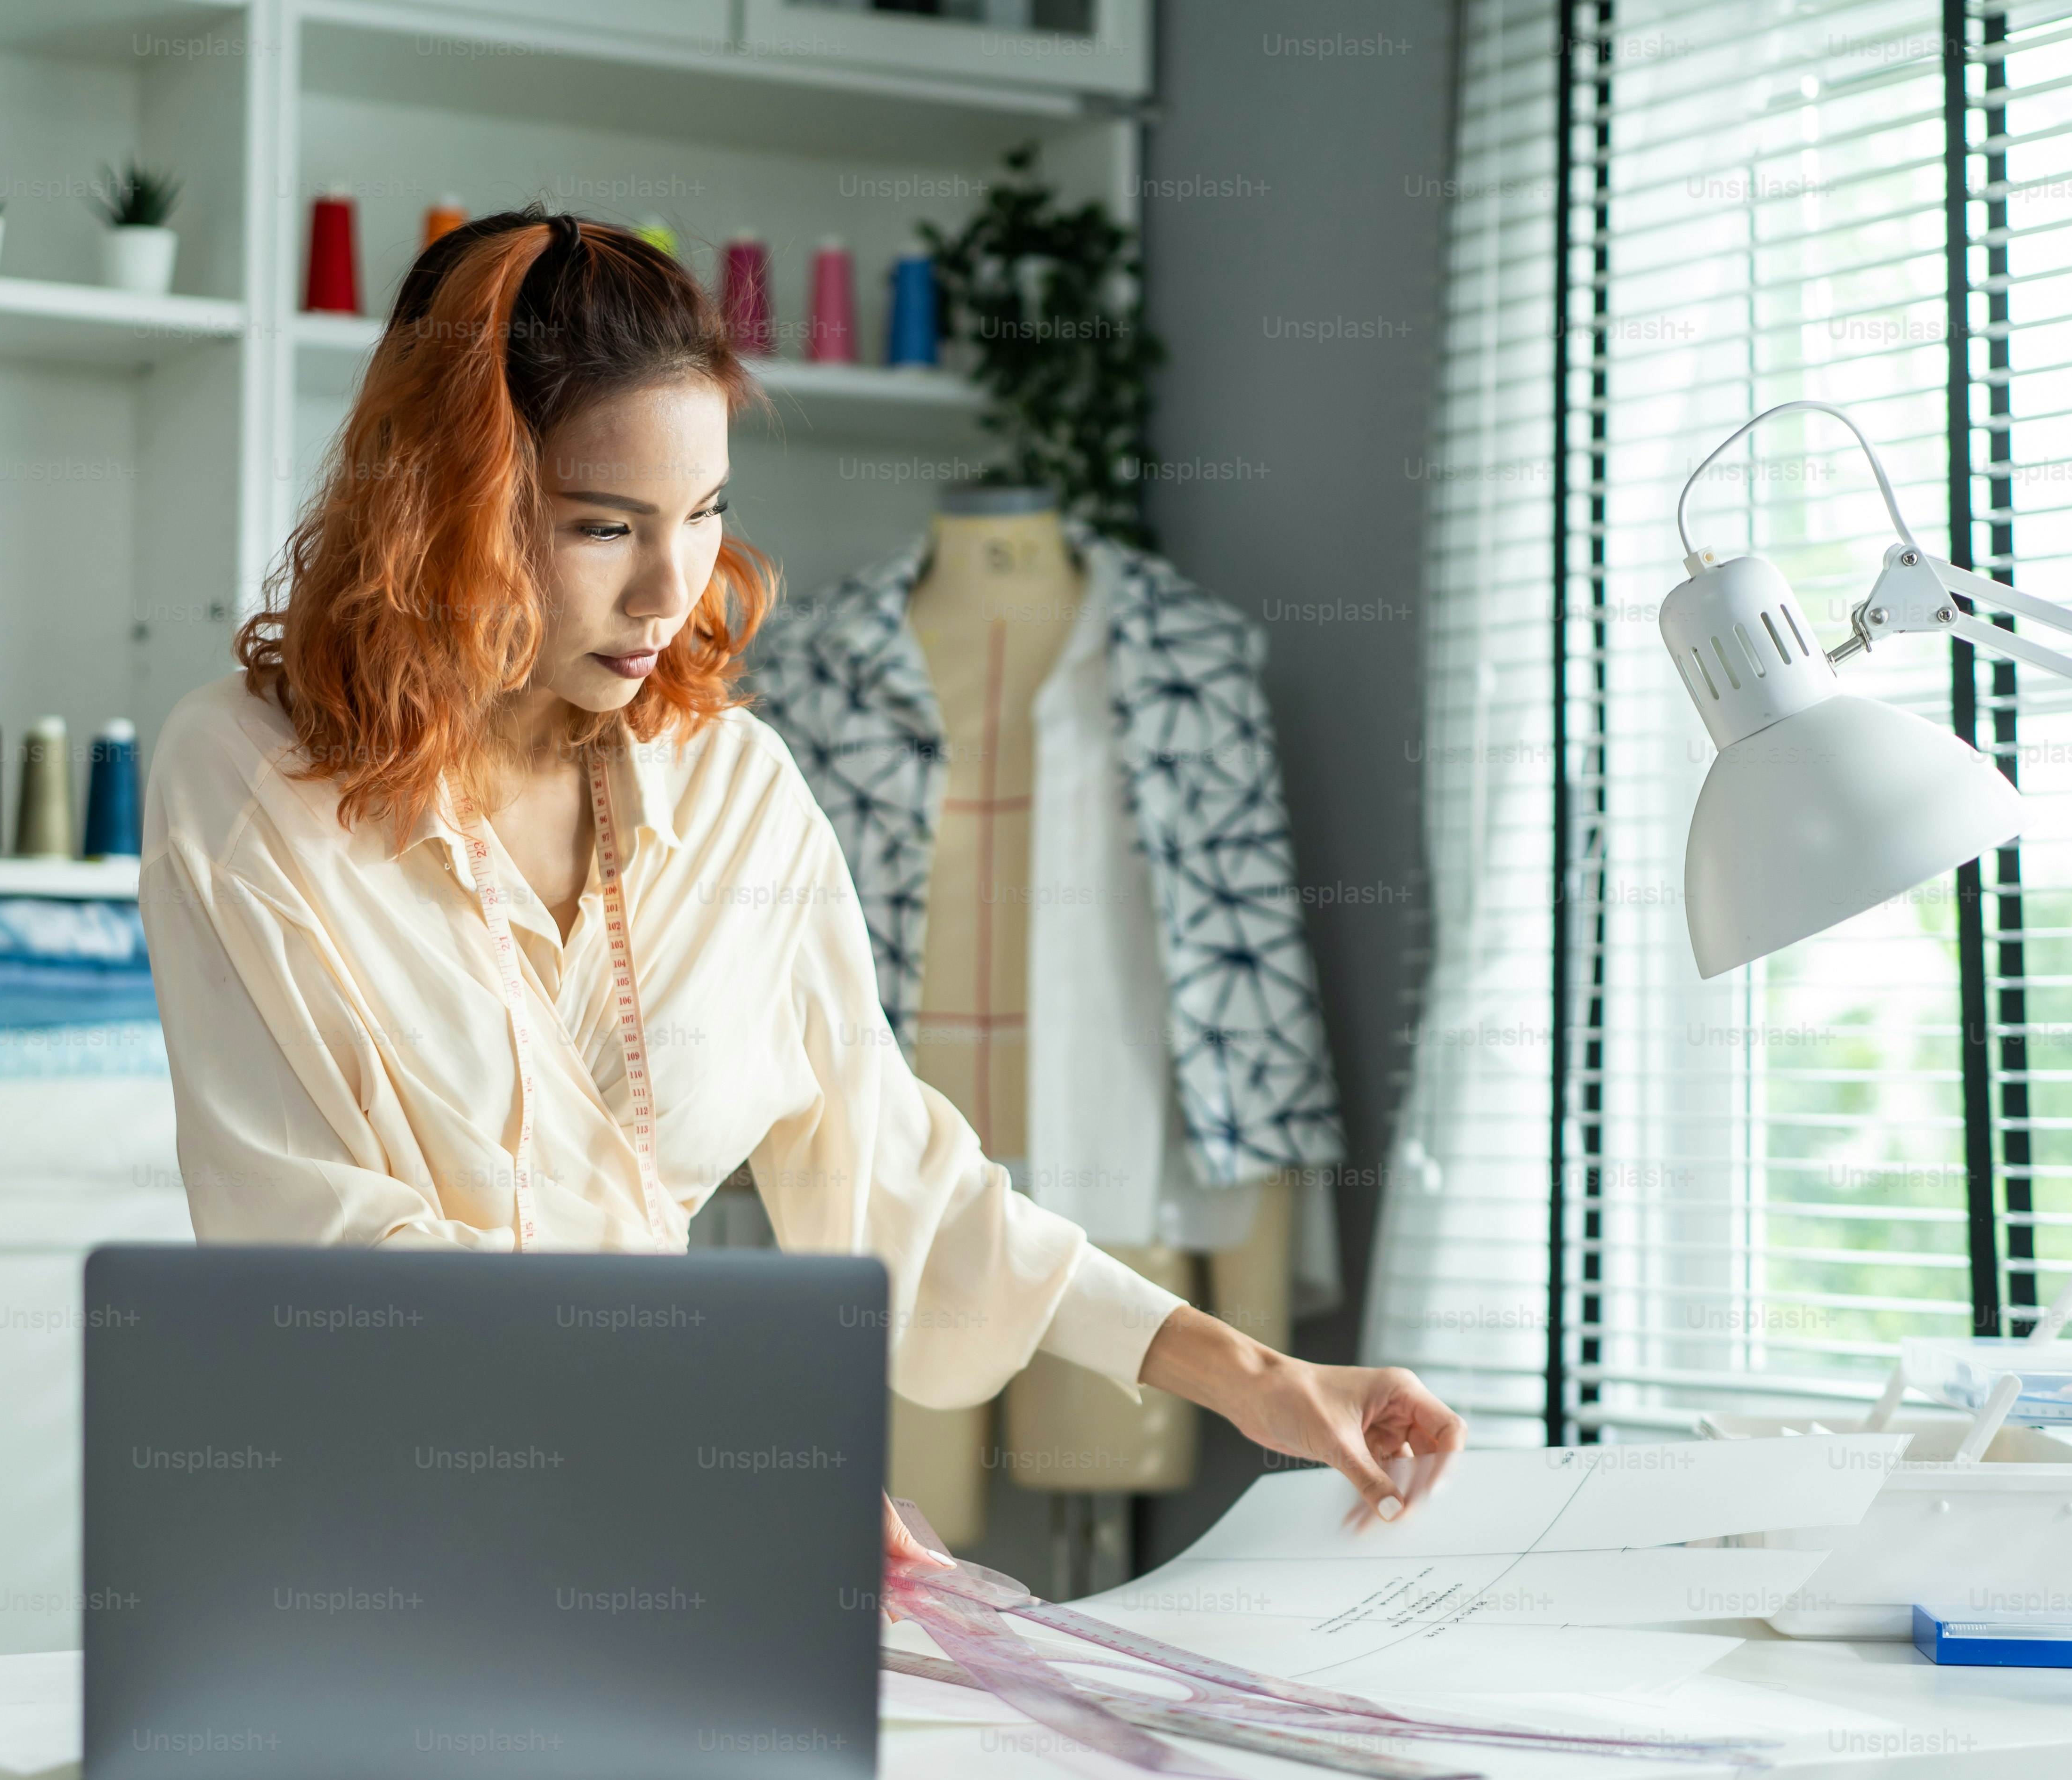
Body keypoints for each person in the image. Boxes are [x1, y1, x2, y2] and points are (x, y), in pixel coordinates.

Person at [138, 210, 1464, 1579]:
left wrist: (1259, 1378)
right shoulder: (243, 781)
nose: (669, 591)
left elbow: (897, 1171)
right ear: (442, 507)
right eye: (604, 527)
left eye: (704, 514)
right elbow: (315, 1252)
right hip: (365, 1550)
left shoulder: (738, 795)